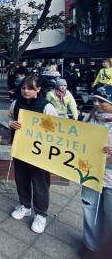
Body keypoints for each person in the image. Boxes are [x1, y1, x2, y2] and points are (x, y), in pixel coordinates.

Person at [9, 75, 58, 234]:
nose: (25, 91)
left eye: (30, 88)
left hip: (40, 153)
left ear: (38, 89)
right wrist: (12, 124)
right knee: (21, 179)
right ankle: (25, 206)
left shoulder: (47, 107)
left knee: (40, 183)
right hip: (21, 149)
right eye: (23, 87)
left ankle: (41, 214)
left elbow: (57, 130)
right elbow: (9, 117)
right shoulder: (16, 103)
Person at [80, 86, 112, 255]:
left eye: (102, 101)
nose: (97, 103)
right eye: (95, 99)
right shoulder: (90, 117)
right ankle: (90, 246)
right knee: (89, 208)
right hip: (90, 173)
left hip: (110, 177)